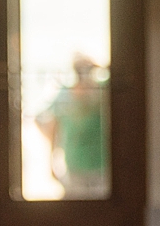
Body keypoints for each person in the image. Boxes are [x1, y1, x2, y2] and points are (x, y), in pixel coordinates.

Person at [36, 54, 110, 199]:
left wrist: (98, 67)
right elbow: (48, 124)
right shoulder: (64, 95)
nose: (83, 74)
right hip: (75, 165)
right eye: (79, 69)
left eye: (86, 69)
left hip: (101, 166)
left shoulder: (102, 92)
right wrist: (52, 159)